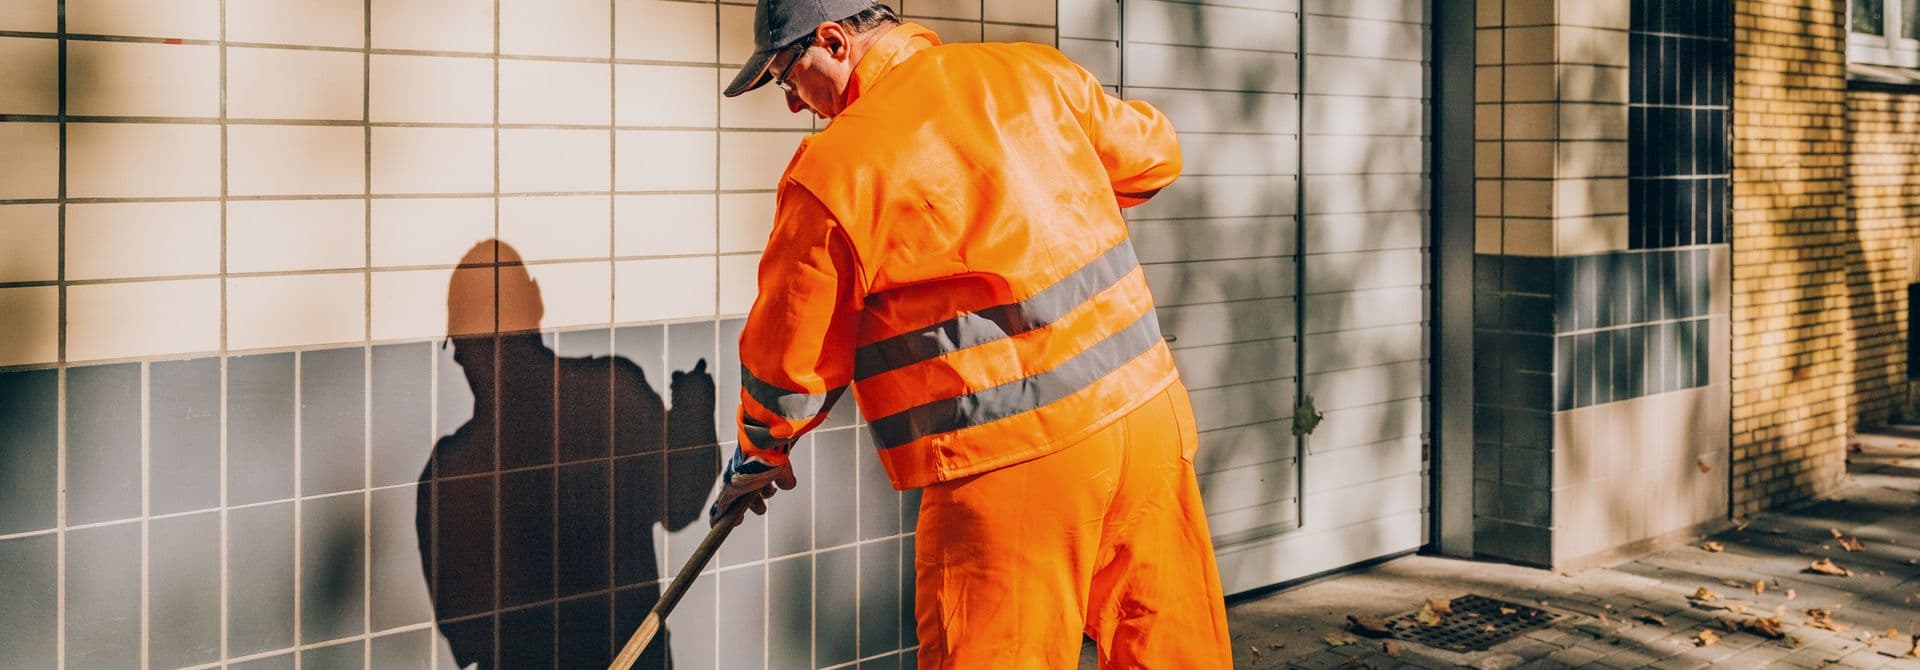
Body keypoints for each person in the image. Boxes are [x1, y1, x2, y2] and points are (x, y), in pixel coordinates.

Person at [712, 1, 1233, 667]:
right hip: (1147, 418)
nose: (794, 104)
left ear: (835, 42)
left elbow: (791, 357)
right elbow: (1154, 157)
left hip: (1014, 464)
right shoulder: (1031, 72)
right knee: (1170, 648)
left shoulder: (837, 168)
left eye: (790, 77)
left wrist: (758, 455)